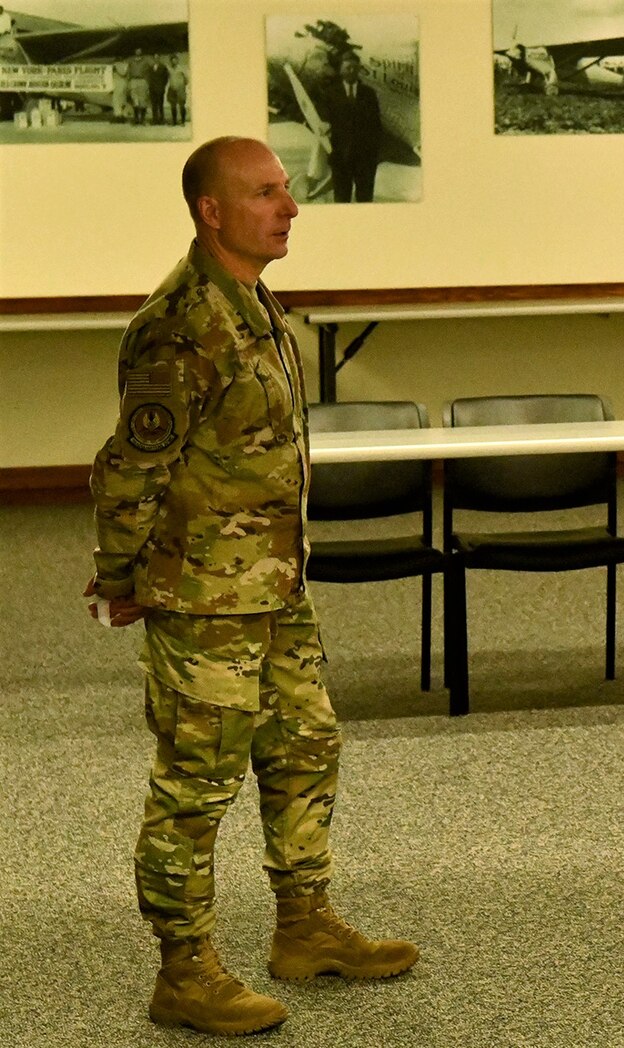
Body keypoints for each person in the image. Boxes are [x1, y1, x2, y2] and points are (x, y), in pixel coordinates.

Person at [87, 136, 417, 1037]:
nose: (291, 206)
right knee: (197, 782)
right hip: (202, 600)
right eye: (269, 193)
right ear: (213, 211)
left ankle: (303, 926)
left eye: (287, 189)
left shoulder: (254, 303)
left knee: (306, 746)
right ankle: (184, 969)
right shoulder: (182, 321)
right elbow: (130, 467)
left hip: (274, 589)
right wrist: (121, 574)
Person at [323, 53, 382, 203]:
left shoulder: (369, 94)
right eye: (348, 67)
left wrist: (373, 156)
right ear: (341, 70)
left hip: (365, 161)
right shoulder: (331, 94)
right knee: (341, 201)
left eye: (355, 67)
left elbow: (376, 126)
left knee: (365, 200)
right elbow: (324, 123)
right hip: (340, 160)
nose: (352, 71)